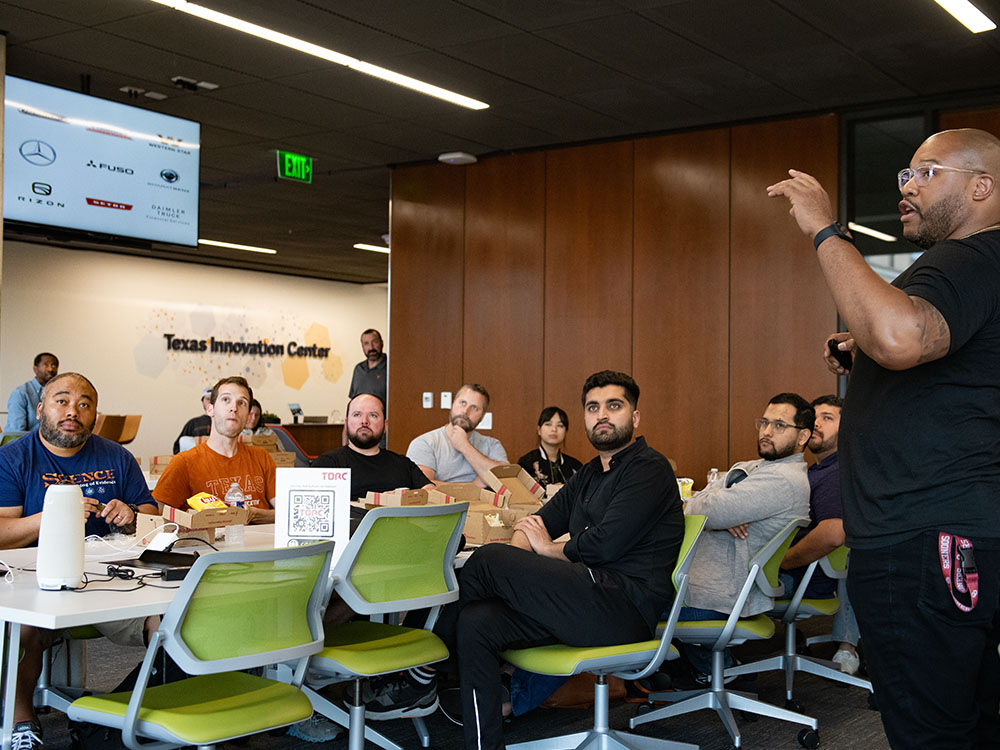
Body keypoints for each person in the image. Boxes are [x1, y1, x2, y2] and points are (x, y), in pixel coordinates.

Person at [767, 127, 1000, 749]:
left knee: (931, 733)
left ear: (982, 186)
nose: (907, 187)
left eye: (926, 173)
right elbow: (932, 355)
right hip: (957, 534)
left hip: (924, 539)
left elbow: (901, 337)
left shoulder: (969, 257)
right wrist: (862, 349)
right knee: (971, 721)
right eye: (905, 174)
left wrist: (825, 229)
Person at [365, 371, 684, 750]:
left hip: (624, 609)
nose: (602, 415)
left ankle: (418, 671)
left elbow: (605, 545)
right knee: (476, 620)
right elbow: (540, 521)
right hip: (581, 599)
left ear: (634, 418)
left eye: (614, 406)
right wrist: (512, 571)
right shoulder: (588, 475)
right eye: (593, 407)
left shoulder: (649, 468)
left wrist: (541, 552)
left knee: (487, 561)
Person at [0, 372, 158, 750]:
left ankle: (130, 711)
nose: (73, 411)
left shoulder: (116, 456)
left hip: (109, 580)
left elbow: (152, 514)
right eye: (62, 401)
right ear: (40, 410)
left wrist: (131, 513)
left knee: (168, 623)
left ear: (95, 415)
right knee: (22, 628)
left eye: (84, 404)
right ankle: (21, 720)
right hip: (35, 579)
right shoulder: (14, 458)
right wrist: (53, 514)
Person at [680, 393, 812, 678]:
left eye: (779, 425)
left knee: (629, 604)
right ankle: (711, 672)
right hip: (710, 589)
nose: (766, 431)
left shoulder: (782, 479)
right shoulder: (760, 468)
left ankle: (715, 672)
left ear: (803, 436)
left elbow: (702, 508)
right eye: (764, 422)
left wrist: (716, 510)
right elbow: (710, 494)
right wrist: (721, 504)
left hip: (716, 599)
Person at [778, 395, 861, 675]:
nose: (816, 423)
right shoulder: (815, 470)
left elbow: (833, 533)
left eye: (828, 418)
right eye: (814, 417)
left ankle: (711, 666)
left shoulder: (834, 474)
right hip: (801, 575)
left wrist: (783, 561)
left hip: (799, 577)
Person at [154, 377, 275, 524]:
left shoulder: (261, 457)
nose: (234, 408)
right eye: (226, 400)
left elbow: (288, 512)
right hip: (207, 546)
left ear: (248, 415)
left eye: (241, 403)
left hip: (262, 545)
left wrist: (256, 515)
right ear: (210, 409)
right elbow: (158, 520)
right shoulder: (184, 463)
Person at [313, 393, 432, 500]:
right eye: (357, 414)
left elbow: (431, 491)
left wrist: (402, 498)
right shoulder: (327, 464)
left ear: (385, 426)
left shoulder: (403, 464)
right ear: (347, 422)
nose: (364, 421)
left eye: (373, 415)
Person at [406, 384, 508, 486]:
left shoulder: (492, 445)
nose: (465, 411)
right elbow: (423, 487)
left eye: (474, 407)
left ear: (482, 417)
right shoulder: (425, 443)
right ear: (453, 404)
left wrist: (464, 446)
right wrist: (474, 486)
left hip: (485, 502)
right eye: (462, 403)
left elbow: (505, 482)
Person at [516, 406, 583, 488]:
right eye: (548, 424)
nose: (554, 429)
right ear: (539, 430)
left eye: (560, 425)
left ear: (566, 432)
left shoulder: (575, 466)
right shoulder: (526, 463)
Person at [348, 329, 388, 448]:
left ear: (381, 343)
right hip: (358, 435)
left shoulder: (391, 368)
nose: (371, 347)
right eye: (366, 343)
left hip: (382, 437)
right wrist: (345, 438)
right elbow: (352, 404)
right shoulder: (358, 369)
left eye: (374, 342)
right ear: (362, 346)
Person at [4, 352, 59, 431]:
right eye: (46, 365)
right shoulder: (21, 393)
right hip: (24, 441)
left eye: (54, 365)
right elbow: (17, 432)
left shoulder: (59, 393)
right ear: (35, 369)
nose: (50, 369)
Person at [171, 386, 212, 454]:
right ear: (202, 401)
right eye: (207, 399)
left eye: (213, 399)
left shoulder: (224, 423)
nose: (210, 402)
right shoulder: (193, 423)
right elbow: (177, 447)